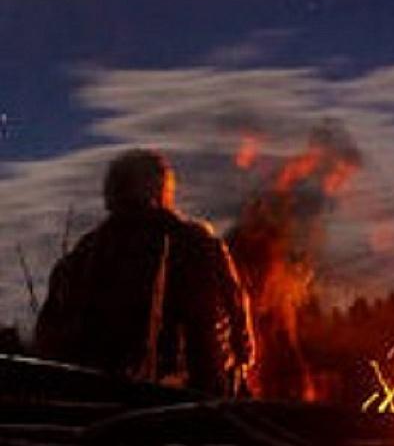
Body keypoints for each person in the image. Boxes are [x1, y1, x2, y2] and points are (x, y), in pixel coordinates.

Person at [35, 149, 254, 397]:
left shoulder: (80, 258)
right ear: (162, 189)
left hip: (92, 401)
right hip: (186, 403)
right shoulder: (197, 244)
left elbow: (48, 341)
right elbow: (231, 325)